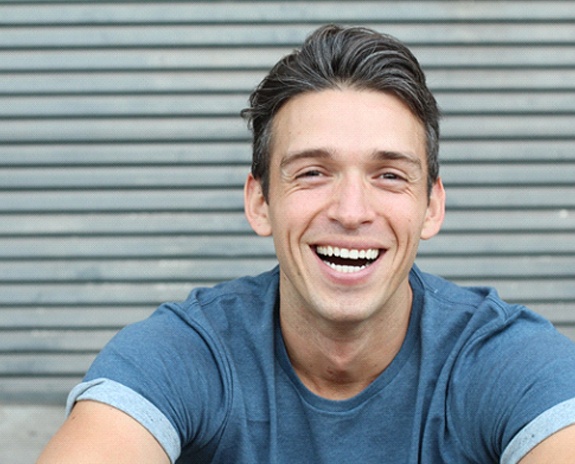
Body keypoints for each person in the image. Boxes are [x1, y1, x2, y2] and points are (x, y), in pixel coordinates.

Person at [38, 24, 575, 464]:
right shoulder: (188, 352)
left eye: (389, 176)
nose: (351, 211)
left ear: (431, 206)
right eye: (313, 172)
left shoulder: (501, 358)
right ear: (260, 202)